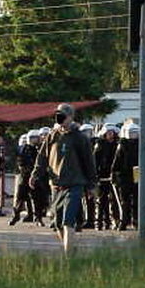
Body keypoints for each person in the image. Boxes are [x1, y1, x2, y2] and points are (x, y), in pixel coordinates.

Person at [30, 103, 97, 255]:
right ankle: (71, 249)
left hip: (74, 185)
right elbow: (42, 157)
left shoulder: (80, 138)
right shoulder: (52, 136)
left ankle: (68, 258)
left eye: (63, 115)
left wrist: (92, 185)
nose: (60, 118)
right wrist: (35, 173)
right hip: (56, 186)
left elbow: (89, 162)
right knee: (57, 223)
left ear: (71, 117)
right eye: (58, 114)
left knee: (68, 222)